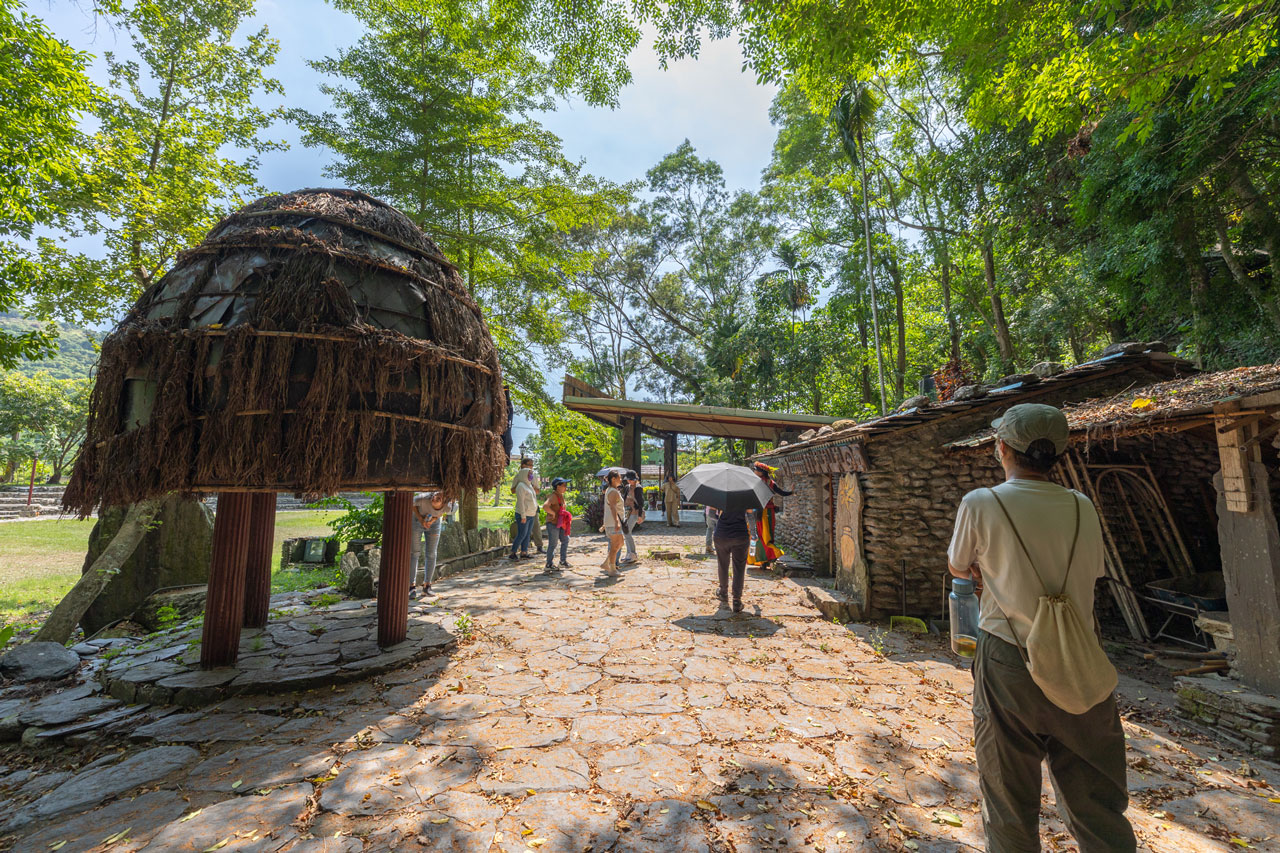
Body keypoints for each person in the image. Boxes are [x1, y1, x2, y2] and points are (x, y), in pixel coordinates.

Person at [947, 403, 1134, 853]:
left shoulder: (981, 502)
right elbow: (1091, 575)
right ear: (1057, 453)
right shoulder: (1080, 506)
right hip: (1079, 654)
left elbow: (958, 565)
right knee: (1096, 797)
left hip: (1008, 655)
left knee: (1008, 792)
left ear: (1003, 449)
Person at [747, 462, 792, 569]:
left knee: (757, 535)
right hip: (767, 513)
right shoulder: (771, 483)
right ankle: (767, 558)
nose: (754, 471)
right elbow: (782, 493)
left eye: (756, 469)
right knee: (766, 536)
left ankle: (767, 557)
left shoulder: (755, 483)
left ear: (761, 472)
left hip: (760, 512)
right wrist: (791, 492)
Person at [411, 491, 454, 597]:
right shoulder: (422, 499)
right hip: (417, 521)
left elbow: (441, 513)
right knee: (414, 553)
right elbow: (412, 504)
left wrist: (432, 520)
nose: (436, 497)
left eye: (439, 498)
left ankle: (427, 586)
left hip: (434, 524)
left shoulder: (448, 507)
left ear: (444, 501)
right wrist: (421, 519)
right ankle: (411, 587)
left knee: (431, 554)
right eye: (434, 497)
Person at [712, 505, 751, 612]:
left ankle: (723, 592)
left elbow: (711, 513)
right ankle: (737, 600)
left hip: (721, 535)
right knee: (739, 567)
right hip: (740, 535)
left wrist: (720, 521)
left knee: (723, 564)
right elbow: (751, 514)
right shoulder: (745, 494)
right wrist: (754, 533)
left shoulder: (720, 493)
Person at [508, 461, 537, 560]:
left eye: (531, 474)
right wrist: (523, 516)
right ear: (524, 474)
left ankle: (524, 552)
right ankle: (513, 552)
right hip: (523, 514)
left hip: (531, 514)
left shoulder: (529, 485)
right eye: (529, 474)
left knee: (527, 534)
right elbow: (520, 502)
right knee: (521, 534)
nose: (531, 476)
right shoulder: (520, 486)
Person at [543, 477, 572, 571]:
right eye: (564, 485)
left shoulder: (560, 495)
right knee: (553, 543)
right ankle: (549, 564)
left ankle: (562, 561)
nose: (565, 487)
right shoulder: (553, 496)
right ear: (557, 486)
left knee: (565, 539)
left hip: (560, 524)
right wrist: (553, 513)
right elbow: (545, 506)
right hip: (552, 524)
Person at [600, 471, 624, 577]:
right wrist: (616, 522)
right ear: (613, 479)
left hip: (613, 522)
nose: (621, 479)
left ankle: (607, 563)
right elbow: (612, 507)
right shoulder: (613, 492)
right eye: (619, 477)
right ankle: (612, 569)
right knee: (615, 546)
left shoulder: (611, 490)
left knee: (620, 543)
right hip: (613, 522)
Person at [620, 471, 645, 564]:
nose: (630, 481)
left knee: (627, 532)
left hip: (635, 512)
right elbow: (623, 498)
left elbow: (641, 502)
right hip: (627, 512)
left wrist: (640, 515)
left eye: (631, 479)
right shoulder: (627, 487)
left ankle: (633, 553)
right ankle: (629, 553)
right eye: (629, 480)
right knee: (626, 532)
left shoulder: (638, 488)